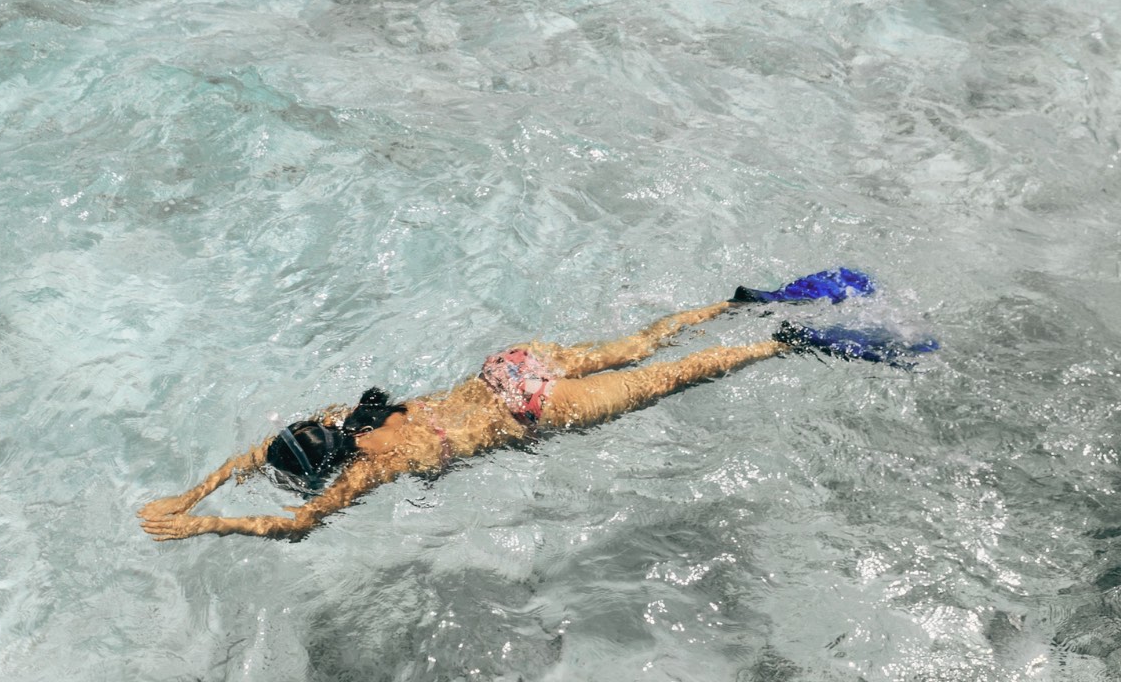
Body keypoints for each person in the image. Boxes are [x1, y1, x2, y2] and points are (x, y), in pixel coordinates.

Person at [138, 268, 936, 541]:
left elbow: (294, 527)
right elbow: (256, 455)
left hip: (537, 410)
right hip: (514, 369)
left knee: (676, 377)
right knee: (643, 342)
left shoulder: (364, 469)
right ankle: (742, 302)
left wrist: (202, 523)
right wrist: (193, 488)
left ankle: (786, 338)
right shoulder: (348, 414)